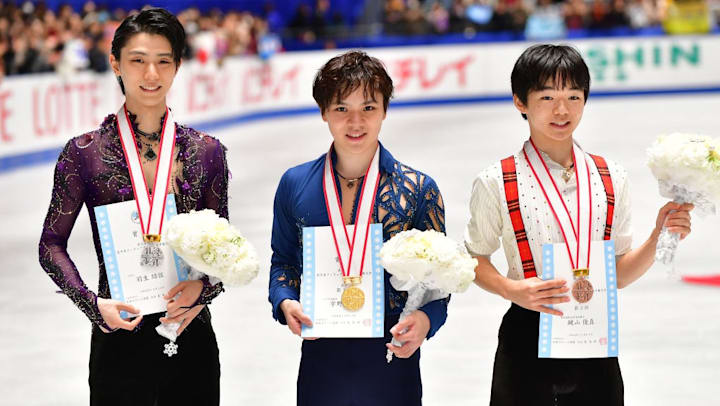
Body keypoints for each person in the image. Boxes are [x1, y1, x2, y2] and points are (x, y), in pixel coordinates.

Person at [464, 44, 693, 405]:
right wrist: (512, 289)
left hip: (595, 336)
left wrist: (658, 235)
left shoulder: (610, 176)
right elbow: (475, 257)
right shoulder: (497, 179)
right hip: (527, 334)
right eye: (547, 97)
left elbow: (616, 272)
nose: (562, 109)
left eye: (573, 96)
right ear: (520, 102)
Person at [38, 8, 227, 405]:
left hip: (190, 336)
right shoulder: (84, 154)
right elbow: (51, 244)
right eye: (138, 61)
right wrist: (93, 306)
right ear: (116, 64)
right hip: (117, 336)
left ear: (177, 65)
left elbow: (223, 251)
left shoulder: (207, 152)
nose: (151, 74)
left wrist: (204, 288)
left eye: (163, 61)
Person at [268, 50, 448, 405]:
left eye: (368, 108)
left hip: (391, 357)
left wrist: (426, 320)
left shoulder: (418, 189)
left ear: (384, 110)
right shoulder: (295, 184)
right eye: (341, 109)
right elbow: (284, 262)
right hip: (322, 359)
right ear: (323, 113)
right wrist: (285, 301)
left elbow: (438, 281)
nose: (355, 122)